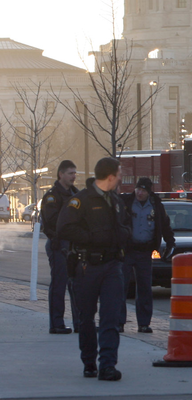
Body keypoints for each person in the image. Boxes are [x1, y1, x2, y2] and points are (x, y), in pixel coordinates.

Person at [56, 157, 130, 381]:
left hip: (112, 266)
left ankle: (107, 364)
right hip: (87, 266)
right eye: (119, 173)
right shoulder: (81, 201)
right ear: (110, 176)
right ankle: (89, 362)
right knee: (86, 317)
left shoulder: (116, 201)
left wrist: (125, 236)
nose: (120, 177)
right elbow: (64, 229)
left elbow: (125, 226)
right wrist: (91, 238)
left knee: (110, 317)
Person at [119, 177, 175, 333]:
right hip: (127, 251)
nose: (139, 193)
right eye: (138, 189)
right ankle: (119, 322)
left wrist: (170, 243)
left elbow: (165, 225)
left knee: (144, 289)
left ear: (149, 191)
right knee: (121, 287)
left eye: (143, 190)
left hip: (145, 252)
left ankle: (144, 323)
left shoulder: (156, 206)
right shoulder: (126, 202)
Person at [40, 160, 81, 334]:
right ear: (61, 174)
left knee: (78, 285)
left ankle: (80, 323)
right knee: (59, 284)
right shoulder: (52, 197)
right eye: (70, 173)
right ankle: (56, 324)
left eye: (74, 173)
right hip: (60, 244)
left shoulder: (77, 194)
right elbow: (51, 223)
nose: (73, 176)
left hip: (75, 245)